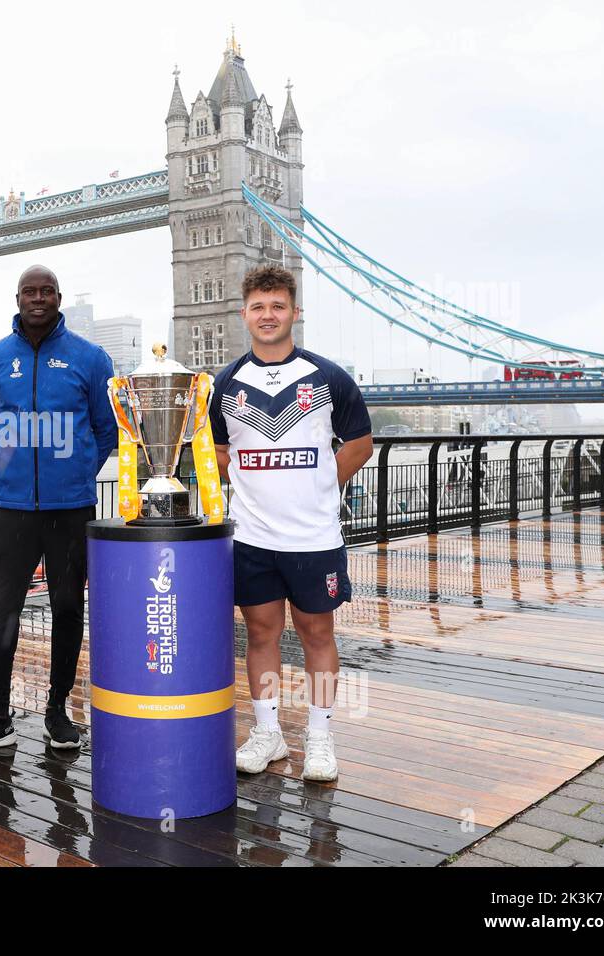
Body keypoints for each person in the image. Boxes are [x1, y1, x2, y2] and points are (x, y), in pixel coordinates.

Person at [209, 265, 373, 782]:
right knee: (260, 635)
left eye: (277, 306)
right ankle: (268, 733)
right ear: (244, 314)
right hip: (253, 536)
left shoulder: (327, 377)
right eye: (258, 306)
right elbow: (216, 452)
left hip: (314, 536)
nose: (268, 315)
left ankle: (320, 739)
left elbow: (360, 443)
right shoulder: (226, 382)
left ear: (294, 313)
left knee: (317, 633)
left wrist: (324, 486)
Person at [0, 265, 117, 749]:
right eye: (29, 292)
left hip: (71, 508)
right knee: (2, 611)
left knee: (66, 608)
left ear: (58, 297)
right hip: (12, 508)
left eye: (46, 291)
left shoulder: (91, 358)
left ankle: (58, 711)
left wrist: (76, 471)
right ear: (16, 298)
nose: (38, 298)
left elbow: (107, 429)